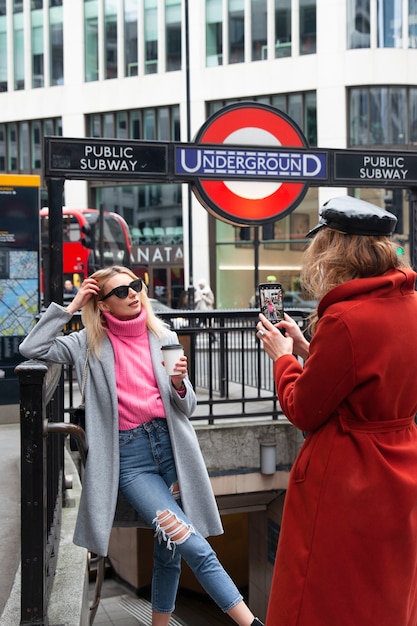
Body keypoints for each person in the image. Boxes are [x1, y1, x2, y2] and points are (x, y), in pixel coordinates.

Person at [19, 265, 263, 626]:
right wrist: (71, 308)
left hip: (173, 453)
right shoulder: (88, 343)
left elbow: (187, 406)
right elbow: (32, 347)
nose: (133, 293)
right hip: (131, 463)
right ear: (103, 305)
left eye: (135, 285)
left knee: (170, 552)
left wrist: (180, 383)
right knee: (192, 543)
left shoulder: (161, 335)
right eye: (120, 291)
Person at [256, 196, 417, 626]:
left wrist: (282, 357)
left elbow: (304, 408)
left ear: (335, 248)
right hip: (400, 471)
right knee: (382, 595)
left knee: (323, 597)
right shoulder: (410, 305)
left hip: (346, 480)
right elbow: (366, 374)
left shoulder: (344, 318)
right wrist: (310, 351)